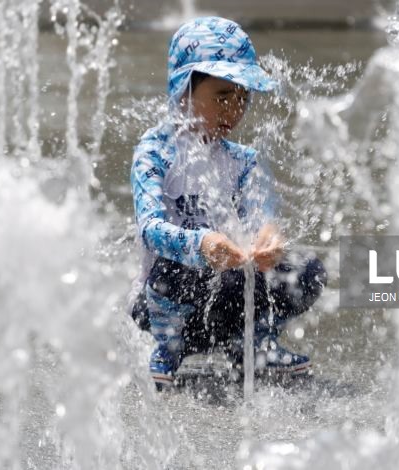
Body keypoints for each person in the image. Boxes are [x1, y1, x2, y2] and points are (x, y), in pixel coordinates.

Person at [129, 16, 326, 389]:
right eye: (222, 96)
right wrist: (201, 244)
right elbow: (150, 228)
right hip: (165, 299)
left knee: (307, 271)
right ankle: (166, 348)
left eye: (242, 98)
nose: (233, 111)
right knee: (175, 269)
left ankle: (249, 342)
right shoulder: (155, 152)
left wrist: (269, 240)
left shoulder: (244, 161)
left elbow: (261, 215)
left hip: (223, 296)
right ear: (184, 91)